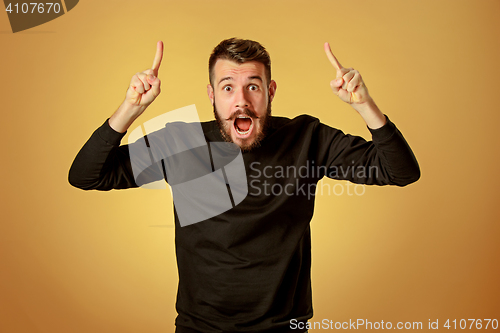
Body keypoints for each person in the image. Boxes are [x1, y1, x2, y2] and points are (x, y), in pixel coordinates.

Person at [68, 38, 420, 333]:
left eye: (253, 86)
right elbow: (86, 175)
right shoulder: (182, 142)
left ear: (270, 91)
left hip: (285, 326)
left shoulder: (307, 138)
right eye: (228, 87)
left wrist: (365, 106)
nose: (241, 101)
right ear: (211, 95)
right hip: (199, 327)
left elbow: (400, 171)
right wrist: (130, 108)